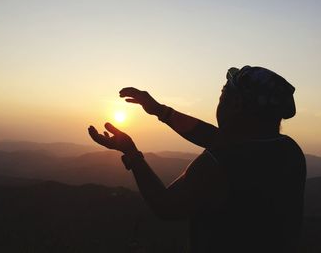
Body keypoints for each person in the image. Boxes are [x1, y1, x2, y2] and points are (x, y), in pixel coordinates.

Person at [88, 65, 306, 253]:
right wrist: (160, 111)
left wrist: (132, 153)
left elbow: (166, 206)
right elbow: (216, 137)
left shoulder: (220, 163)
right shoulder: (288, 150)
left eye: (222, 96)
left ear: (237, 104)